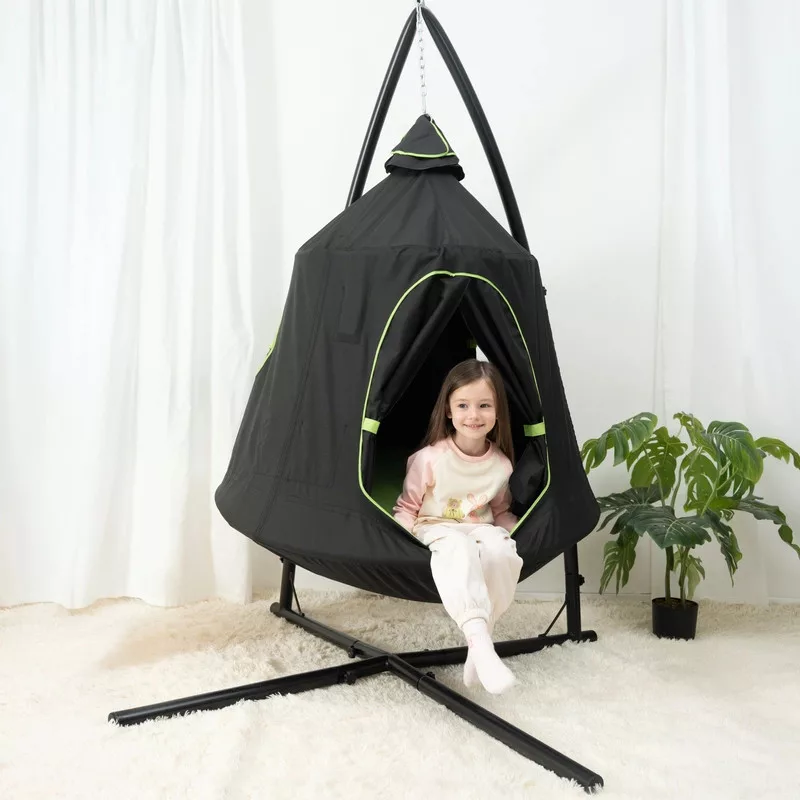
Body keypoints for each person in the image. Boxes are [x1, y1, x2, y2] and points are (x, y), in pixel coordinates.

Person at [393, 359, 523, 694]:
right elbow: (407, 507)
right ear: (448, 411)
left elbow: (500, 510)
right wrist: (396, 545)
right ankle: (481, 643)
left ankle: (480, 645)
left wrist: (523, 532)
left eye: (484, 406)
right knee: (459, 547)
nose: (473, 415)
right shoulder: (430, 458)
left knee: (500, 551)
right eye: (463, 405)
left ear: (498, 411)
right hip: (434, 526)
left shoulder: (501, 465)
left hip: (479, 527)